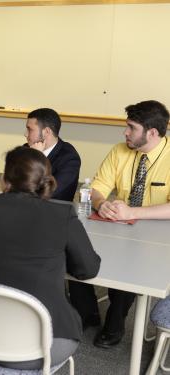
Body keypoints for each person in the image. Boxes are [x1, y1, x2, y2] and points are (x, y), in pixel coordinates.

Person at [0, 146, 100, 370]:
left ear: (5, 180)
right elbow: (88, 269)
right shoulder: (61, 215)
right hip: (39, 349)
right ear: (45, 182)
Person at [69, 100, 170, 349]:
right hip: (117, 225)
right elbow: (95, 189)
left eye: (131, 127)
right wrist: (102, 203)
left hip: (157, 237)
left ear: (152, 133)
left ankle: (115, 322)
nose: (125, 132)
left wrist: (132, 212)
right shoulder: (119, 151)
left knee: (131, 266)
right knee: (73, 249)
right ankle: (87, 312)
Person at [25, 108, 81, 202]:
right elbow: (11, 183)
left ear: (46, 132)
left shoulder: (69, 158)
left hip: (54, 211)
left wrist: (37, 157)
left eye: (29, 129)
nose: (25, 134)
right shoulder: (26, 149)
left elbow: (48, 192)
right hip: (25, 206)